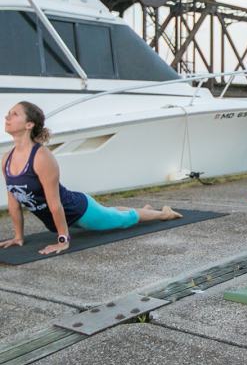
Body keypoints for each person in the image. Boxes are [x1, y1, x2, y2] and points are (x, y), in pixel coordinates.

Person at [1, 102, 182, 256]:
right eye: (8, 114)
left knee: (122, 220)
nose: (7, 117)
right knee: (111, 212)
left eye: (14, 114)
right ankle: (144, 210)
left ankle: (164, 213)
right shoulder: (6, 159)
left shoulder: (41, 157)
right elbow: (14, 204)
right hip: (67, 217)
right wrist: (18, 237)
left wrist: (63, 240)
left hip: (81, 212)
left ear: (29, 125)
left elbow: (55, 204)